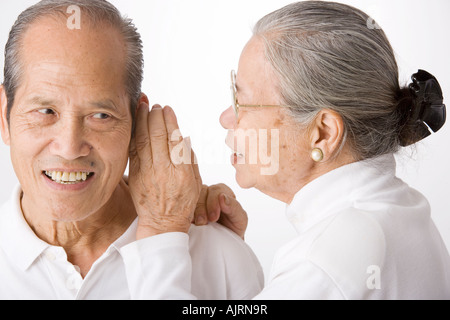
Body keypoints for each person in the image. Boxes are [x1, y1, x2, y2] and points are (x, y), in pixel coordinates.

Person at [127, 1, 450, 299]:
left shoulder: (325, 260)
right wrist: (223, 263)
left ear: (322, 134)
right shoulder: (403, 211)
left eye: (242, 101)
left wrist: (161, 230)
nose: (226, 118)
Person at [0, 0, 264, 300]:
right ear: (4, 115)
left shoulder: (220, 257)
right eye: (46, 111)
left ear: (136, 123)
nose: (70, 147)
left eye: (100, 116)